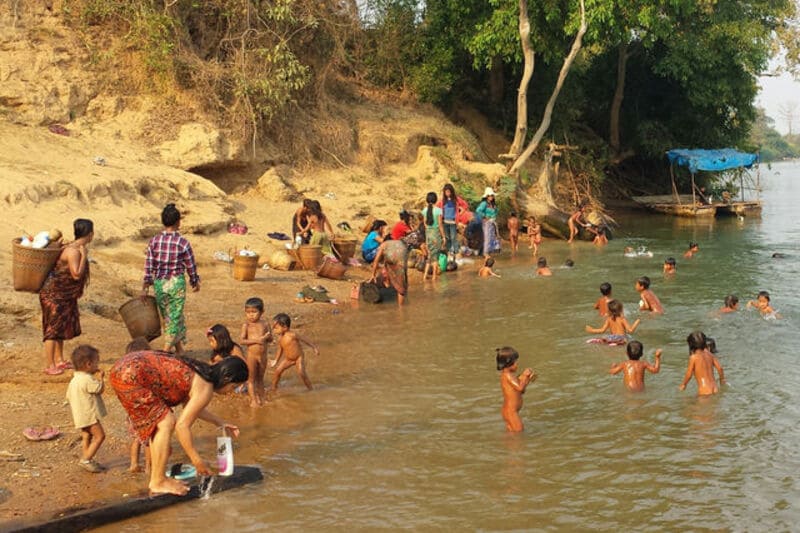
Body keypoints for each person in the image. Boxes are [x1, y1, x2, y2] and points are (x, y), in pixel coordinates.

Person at [110, 351, 248, 496]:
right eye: (233, 387)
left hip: (123, 368)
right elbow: (182, 426)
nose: (230, 392)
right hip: (131, 375)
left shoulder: (200, 372)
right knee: (166, 422)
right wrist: (196, 460)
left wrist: (220, 422)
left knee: (160, 423)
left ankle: (157, 478)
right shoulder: (205, 387)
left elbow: (194, 409)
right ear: (226, 378)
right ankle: (158, 481)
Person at [142, 204, 200, 354]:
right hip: (176, 283)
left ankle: (180, 349)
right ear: (178, 222)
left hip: (160, 283)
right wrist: (194, 281)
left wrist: (146, 286)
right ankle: (166, 350)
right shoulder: (183, 243)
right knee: (174, 316)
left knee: (169, 316)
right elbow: (190, 265)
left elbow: (149, 265)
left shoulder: (154, 241)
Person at [40, 218, 94, 375]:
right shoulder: (73, 251)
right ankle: (50, 365)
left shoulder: (73, 247)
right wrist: (84, 256)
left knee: (60, 327)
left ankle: (59, 360)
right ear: (90, 234)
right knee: (52, 329)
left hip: (63, 296)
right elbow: (76, 274)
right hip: (53, 295)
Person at [65, 345, 106, 473]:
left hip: (79, 415)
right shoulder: (87, 379)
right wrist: (101, 378)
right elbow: (99, 389)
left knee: (86, 436)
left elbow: (68, 396)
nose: (97, 365)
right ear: (88, 364)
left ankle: (88, 458)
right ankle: (86, 459)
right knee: (100, 436)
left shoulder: (74, 380)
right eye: (96, 362)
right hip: (89, 415)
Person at [270, 313, 319, 394]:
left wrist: (314, 347)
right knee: (277, 371)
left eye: (276, 328)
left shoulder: (292, 335)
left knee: (301, 373)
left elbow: (305, 339)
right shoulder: (280, 338)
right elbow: (280, 349)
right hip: (288, 359)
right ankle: (273, 388)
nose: (273, 329)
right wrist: (276, 360)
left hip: (298, 358)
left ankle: (311, 389)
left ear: (285, 327)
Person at [124, 337, 152, 474]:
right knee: (148, 441)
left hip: (131, 414)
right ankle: (148, 467)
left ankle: (133, 464)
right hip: (145, 413)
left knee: (136, 439)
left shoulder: (126, 374)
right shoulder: (146, 374)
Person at [240, 297, 273, 407]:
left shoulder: (265, 324)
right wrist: (257, 340)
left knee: (260, 379)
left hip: (263, 356)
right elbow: (242, 340)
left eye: (254, 312)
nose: (251, 315)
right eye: (248, 312)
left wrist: (267, 337)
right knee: (251, 379)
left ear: (262, 312)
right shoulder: (247, 325)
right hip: (251, 356)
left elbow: (271, 339)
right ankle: (253, 400)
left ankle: (262, 398)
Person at [496, 347, 536, 433]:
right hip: (511, 412)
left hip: (511, 411)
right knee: (519, 432)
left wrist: (527, 378)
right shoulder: (507, 375)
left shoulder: (511, 375)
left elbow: (521, 391)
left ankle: (507, 445)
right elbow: (520, 387)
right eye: (515, 362)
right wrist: (525, 376)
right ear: (508, 363)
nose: (517, 364)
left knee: (512, 434)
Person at [679, 331, 725, 396]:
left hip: (704, 391)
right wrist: (722, 379)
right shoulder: (710, 355)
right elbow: (720, 368)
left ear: (690, 345)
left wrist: (684, 384)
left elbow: (689, 374)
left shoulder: (693, 357)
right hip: (715, 389)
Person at [369, 238, 409, 306]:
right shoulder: (397, 242)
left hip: (392, 256)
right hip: (403, 253)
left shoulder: (383, 245)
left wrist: (373, 275)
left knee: (399, 285)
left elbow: (376, 260)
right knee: (401, 280)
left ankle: (401, 307)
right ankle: (403, 298)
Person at [421, 192, 445, 280]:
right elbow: (440, 225)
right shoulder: (438, 210)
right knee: (435, 257)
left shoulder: (424, 210)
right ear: (435, 200)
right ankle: (434, 276)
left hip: (428, 235)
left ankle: (424, 276)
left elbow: (425, 224)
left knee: (430, 256)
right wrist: (443, 237)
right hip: (436, 235)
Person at [475, 187, 501, 256]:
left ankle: (489, 251)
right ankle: (485, 253)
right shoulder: (484, 204)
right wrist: (485, 216)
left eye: (492, 195)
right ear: (487, 196)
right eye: (490, 195)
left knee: (492, 237)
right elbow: (478, 210)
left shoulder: (493, 204)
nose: (492, 197)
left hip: (493, 222)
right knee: (487, 237)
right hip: (487, 223)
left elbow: (496, 212)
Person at [441, 184, 461, 257]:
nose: (448, 194)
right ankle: (449, 251)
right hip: (445, 222)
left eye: (449, 192)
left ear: (452, 192)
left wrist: (459, 214)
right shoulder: (443, 201)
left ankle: (456, 252)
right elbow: (438, 207)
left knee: (453, 237)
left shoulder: (456, 200)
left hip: (453, 222)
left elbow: (465, 205)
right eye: (446, 192)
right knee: (447, 237)